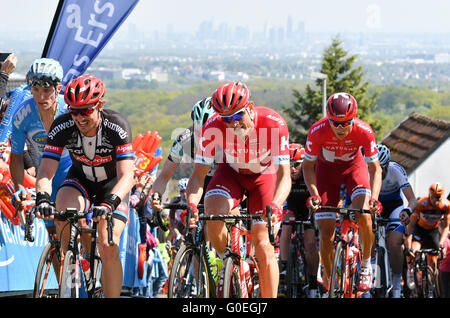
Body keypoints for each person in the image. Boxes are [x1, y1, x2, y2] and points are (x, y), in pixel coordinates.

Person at [185, 81, 291, 298]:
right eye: (226, 119)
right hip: (231, 173)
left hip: (264, 177)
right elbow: (198, 176)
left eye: (236, 117)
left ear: (250, 108)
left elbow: (284, 176)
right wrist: (192, 206)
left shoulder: (273, 123)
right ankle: (230, 260)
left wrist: (277, 205)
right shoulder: (212, 126)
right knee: (213, 216)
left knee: (263, 246)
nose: (232, 124)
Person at [34, 74, 135, 298]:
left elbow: (128, 176)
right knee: (63, 214)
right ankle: (71, 279)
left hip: (112, 187)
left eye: (86, 111)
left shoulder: (116, 126)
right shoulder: (63, 125)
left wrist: (110, 202)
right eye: (74, 110)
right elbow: (46, 171)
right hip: (80, 181)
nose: (79, 117)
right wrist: (41, 196)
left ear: (99, 106)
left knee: (109, 243)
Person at [303, 92, 383, 294]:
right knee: (326, 231)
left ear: (353, 118)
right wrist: (313, 193)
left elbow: (375, 169)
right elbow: (307, 167)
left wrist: (374, 198)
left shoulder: (364, 131)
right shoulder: (317, 130)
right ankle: (330, 278)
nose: (340, 128)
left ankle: (365, 264)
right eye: (334, 123)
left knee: (364, 213)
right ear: (327, 119)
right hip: (326, 173)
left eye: (346, 122)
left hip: (354, 169)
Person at [9, 58, 71, 233]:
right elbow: (16, 156)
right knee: (53, 235)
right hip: (45, 176)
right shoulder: (23, 114)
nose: (41, 97)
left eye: (46, 90)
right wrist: (19, 188)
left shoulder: (68, 111)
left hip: (72, 172)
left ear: (58, 89)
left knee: (76, 226)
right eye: (35, 90)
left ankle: (87, 257)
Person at [150, 97, 216, 210]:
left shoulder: (230, 136)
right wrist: (157, 196)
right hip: (199, 183)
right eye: (198, 131)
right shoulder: (185, 138)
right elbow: (164, 176)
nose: (202, 136)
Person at [376, 143, 418, 298]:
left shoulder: (396, 170)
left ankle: (396, 284)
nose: (375, 171)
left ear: (386, 165)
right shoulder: (367, 170)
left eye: (379, 167)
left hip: (395, 207)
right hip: (376, 206)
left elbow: (413, 200)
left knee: (394, 244)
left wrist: (407, 211)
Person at [278, 143, 320, 298]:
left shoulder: (311, 172)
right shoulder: (284, 173)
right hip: (291, 206)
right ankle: (283, 270)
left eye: (296, 164)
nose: (292, 168)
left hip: (307, 207)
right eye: (288, 164)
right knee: (287, 226)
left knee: (310, 244)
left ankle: (314, 283)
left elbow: (318, 193)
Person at [404, 182, 450, 290]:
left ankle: (431, 286)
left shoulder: (446, 205)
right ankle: (410, 269)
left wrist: (441, 243)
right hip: (419, 230)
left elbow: (446, 227)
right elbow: (410, 225)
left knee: (433, 261)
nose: (436, 200)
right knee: (414, 249)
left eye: (438, 197)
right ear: (430, 195)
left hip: (433, 232)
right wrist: (408, 246)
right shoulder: (421, 203)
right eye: (434, 197)